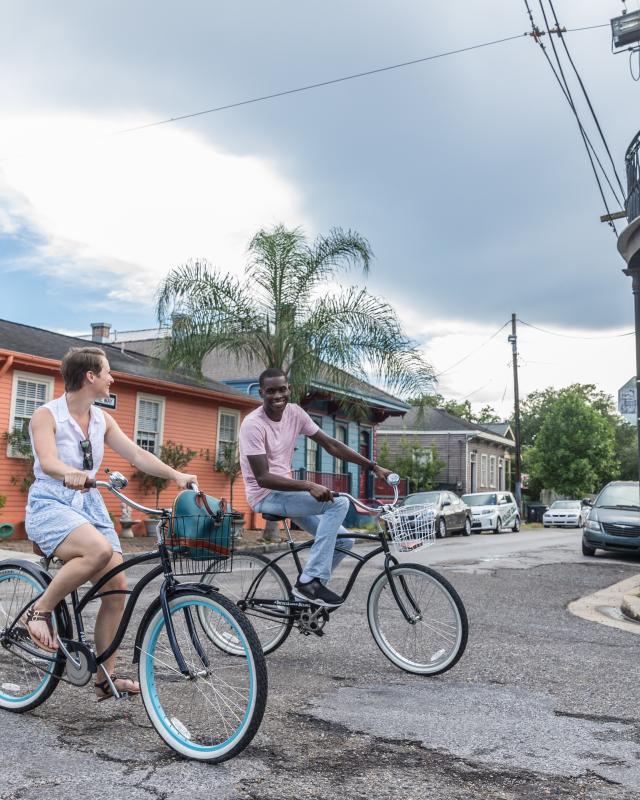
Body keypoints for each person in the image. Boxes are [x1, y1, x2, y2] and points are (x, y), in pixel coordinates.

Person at [24, 346, 197, 700]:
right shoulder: (47, 415)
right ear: (90, 376)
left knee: (117, 588)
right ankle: (38, 611)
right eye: (107, 372)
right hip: (51, 503)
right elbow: (48, 460)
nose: (111, 378)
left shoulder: (102, 419)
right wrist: (72, 474)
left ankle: (105, 679)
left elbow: (136, 454)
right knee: (98, 550)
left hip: (89, 504)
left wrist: (176, 475)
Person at [239, 367, 392, 607]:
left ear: (289, 389)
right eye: (271, 391)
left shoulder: (295, 413)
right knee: (339, 503)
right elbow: (263, 477)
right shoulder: (253, 425)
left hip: (289, 494)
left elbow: (331, 445)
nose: (278, 395)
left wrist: (373, 466)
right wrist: (309, 485)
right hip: (266, 495)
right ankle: (310, 582)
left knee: (344, 540)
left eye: (282, 389)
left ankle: (305, 591)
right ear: (261, 393)